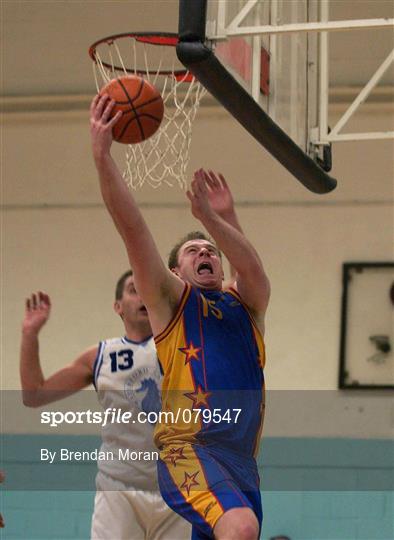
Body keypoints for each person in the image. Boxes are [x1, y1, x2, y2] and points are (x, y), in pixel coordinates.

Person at [90, 94, 270, 540]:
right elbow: (133, 227)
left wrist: (222, 218)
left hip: (242, 461)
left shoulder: (245, 306)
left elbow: (252, 270)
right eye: (194, 251)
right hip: (189, 448)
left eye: (211, 249)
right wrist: (102, 156)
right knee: (241, 529)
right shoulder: (173, 302)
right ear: (175, 272)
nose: (206, 251)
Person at [19, 272, 191, 540]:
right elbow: (34, 395)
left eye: (148, 290)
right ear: (118, 306)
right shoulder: (100, 356)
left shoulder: (185, 345)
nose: (143, 296)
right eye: (134, 290)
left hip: (180, 487)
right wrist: (30, 334)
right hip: (119, 489)